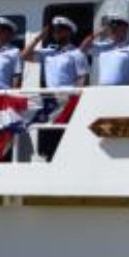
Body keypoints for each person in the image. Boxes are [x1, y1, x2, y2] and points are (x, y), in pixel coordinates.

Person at [23, 15, 88, 158]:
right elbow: (25, 55)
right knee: (48, 136)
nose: (57, 33)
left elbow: (82, 79)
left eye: (61, 30)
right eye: (55, 30)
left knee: (63, 135)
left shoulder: (76, 53)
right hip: (49, 99)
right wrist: (39, 38)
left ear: (69, 32)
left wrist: (76, 101)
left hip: (67, 99)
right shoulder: (48, 52)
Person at [85, 13, 129, 87]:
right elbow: (83, 48)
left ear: (126, 28)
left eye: (117, 26)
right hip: (103, 89)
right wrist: (99, 32)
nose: (113, 29)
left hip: (124, 90)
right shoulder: (103, 46)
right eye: (112, 27)